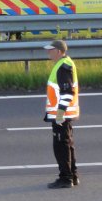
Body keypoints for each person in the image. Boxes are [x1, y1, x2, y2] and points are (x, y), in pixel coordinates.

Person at [44, 40, 79, 189]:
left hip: (61, 115)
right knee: (67, 144)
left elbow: (67, 92)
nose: (48, 53)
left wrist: (60, 113)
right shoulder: (64, 64)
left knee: (61, 146)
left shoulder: (63, 67)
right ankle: (73, 175)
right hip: (64, 113)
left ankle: (66, 178)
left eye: (50, 50)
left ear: (58, 51)